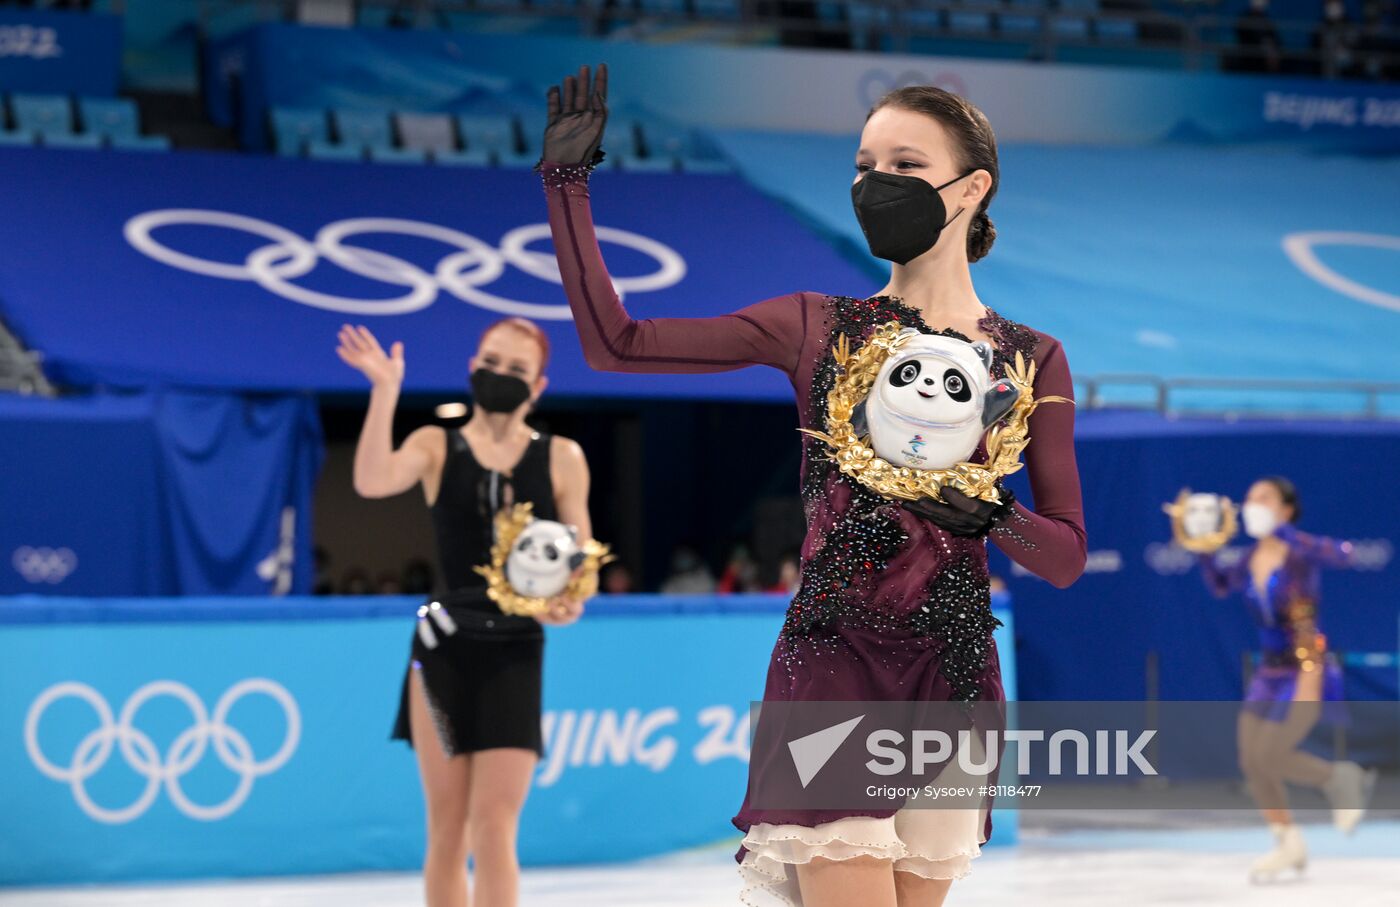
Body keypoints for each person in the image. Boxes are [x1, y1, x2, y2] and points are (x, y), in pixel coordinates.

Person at [535, 64, 1085, 907]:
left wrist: (993, 513)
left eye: (905, 164)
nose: (876, 183)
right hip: (834, 662)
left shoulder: (1032, 358)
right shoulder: (818, 326)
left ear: (972, 187)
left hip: (956, 676)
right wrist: (566, 183)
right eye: (866, 165)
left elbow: (1065, 557)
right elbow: (618, 344)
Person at [338, 317, 595, 907]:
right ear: (473, 366)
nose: (501, 375)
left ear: (539, 386)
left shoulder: (562, 457)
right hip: (441, 653)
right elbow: (372, 481)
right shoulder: (436, 444)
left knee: (494, 826)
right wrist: (384, 391)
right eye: (492, 362)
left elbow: (583, 563)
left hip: (515, 652)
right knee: (447, 828)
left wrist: (569, 602)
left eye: (517, 369)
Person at [1194, 475, 1374, 882]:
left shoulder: (1300, 552)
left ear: (1286, 509)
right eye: (1250, 497)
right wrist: (1205, 550)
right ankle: (1287, 842)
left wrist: (1286, 533)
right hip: (1270, 670)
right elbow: (1221, 585)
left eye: (1265, 498)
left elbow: (1345, 554)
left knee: (1272, 754)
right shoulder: (1249, 558)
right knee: (1252, 761)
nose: (1253, 504)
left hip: (1307, 665)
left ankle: (1339, 778)